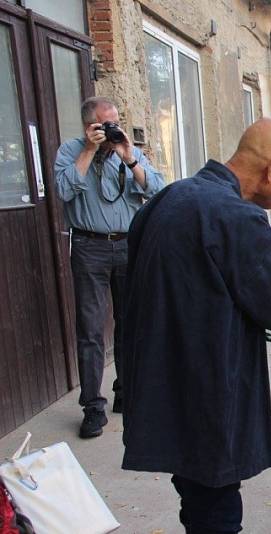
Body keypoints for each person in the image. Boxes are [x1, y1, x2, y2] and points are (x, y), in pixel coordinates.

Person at [121, 117, 271, 533]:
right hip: (207, 382)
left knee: (195, 494)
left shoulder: (171, 197)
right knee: (217, 505)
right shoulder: (233, 216)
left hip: (162, 374)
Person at [54, 96, 165, 439]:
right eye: (105, 123)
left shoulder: (127, 150)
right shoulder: (70, 151)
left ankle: (126, 393)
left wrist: (129, 158)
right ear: (89, 125)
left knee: (130, 324)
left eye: (116, 120)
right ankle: (92, 408)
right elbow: (62, 190)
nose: (113, 127)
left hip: (128, 245)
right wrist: (89, 150)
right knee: (90, 329)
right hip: (89, 247)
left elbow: (158, 189)